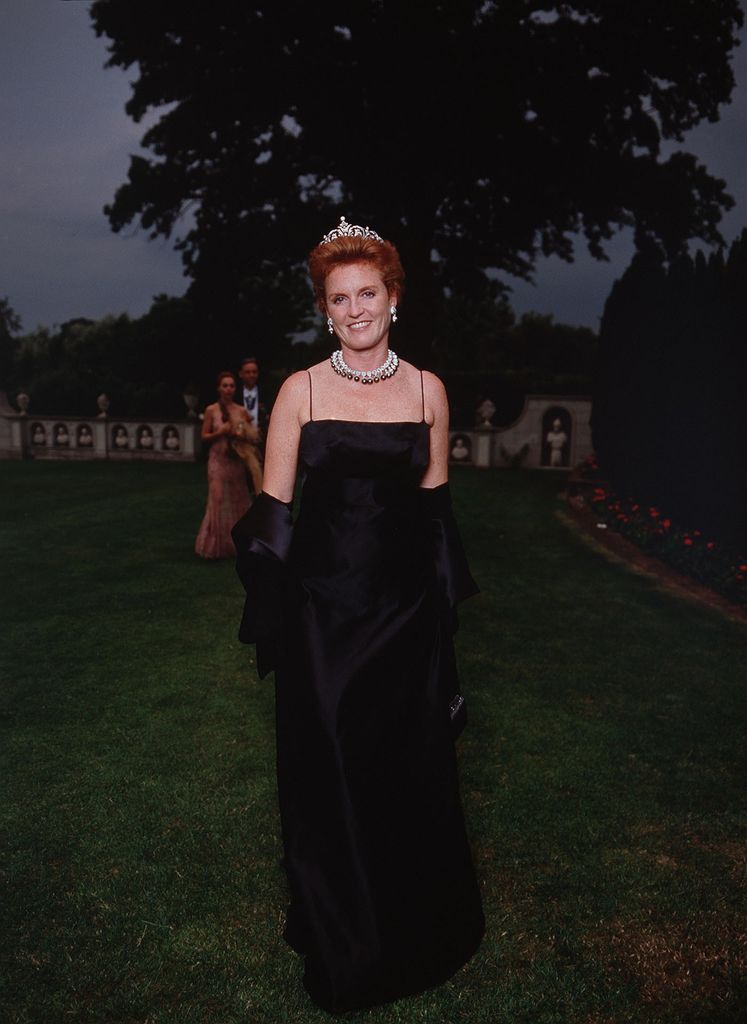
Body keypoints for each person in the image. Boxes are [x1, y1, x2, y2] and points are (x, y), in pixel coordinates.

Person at [231, 216, 484, 1013]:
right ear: (324, 309)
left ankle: (415, 922)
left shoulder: (426, 391)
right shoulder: (300, 390)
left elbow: (437, 511)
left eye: (367, 293)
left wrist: (441, 621)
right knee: (330, 771)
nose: (355, 309)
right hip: (323, 618)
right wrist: (274, 616)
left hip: (405, 614)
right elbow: (272, 517)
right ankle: (342, 936)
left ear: (393, 297)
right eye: (339, 299)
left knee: (404, 767)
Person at [195, 371, 256, 559]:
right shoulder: (211, 410)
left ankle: (238, 544)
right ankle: (214, 546)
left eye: (231, 385)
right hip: (217, 461)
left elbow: (251, 435)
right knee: (218, 498)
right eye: (225, 385)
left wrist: (241, 435)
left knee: (239, 499)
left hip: (235, 461)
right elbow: (204, 437)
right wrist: (221, 432)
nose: (228, 389)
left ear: (235, 389)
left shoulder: (241, 411)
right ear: (219, 388)